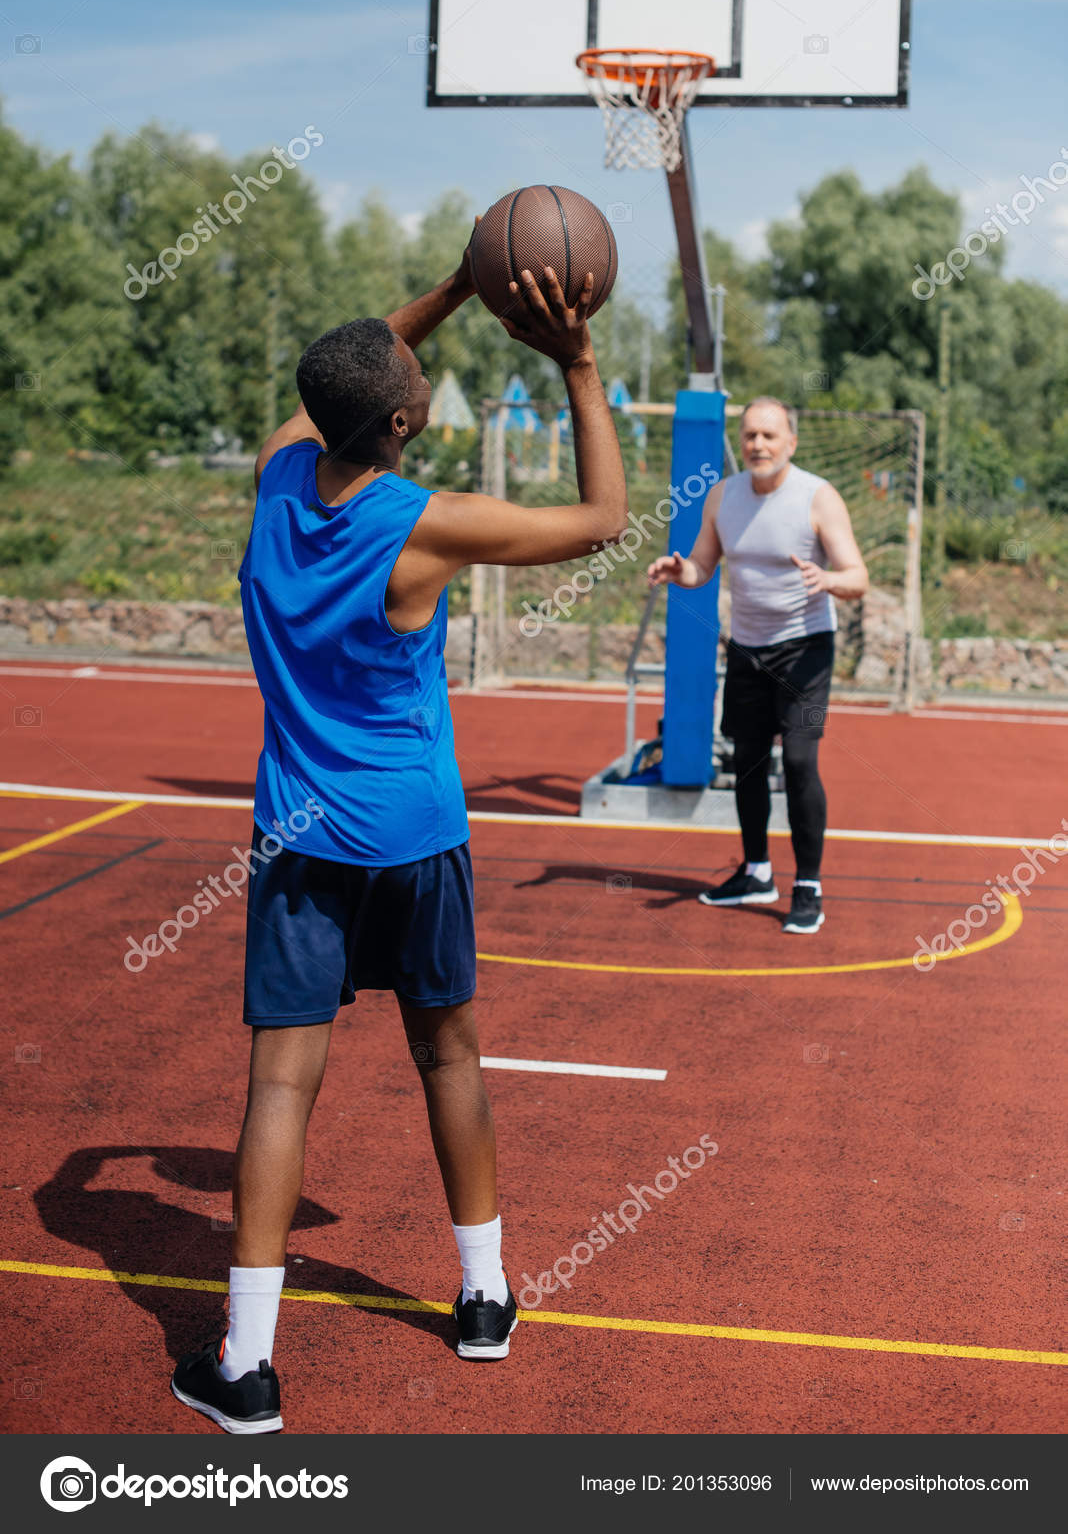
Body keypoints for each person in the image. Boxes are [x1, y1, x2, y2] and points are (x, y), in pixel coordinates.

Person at [170, 242, 627, 1434]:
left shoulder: (277, 475)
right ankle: (482, 1298)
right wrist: (575, 361)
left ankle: (248, 1365)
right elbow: (605, 521)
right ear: (412, 420)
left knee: (281, 1082)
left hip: (299, 830)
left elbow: (354, 363)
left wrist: (458, 287)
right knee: (450, 1057)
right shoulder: (423, 525)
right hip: (415, 831)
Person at [648, 398, 868, 935]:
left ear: (791, 442)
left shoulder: (817, 497)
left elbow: (857, 577)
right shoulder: (723, 496)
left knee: (797, 761)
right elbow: (703, 566)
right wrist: (682, 569)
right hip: (748, 647)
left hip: (806, 647)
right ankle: (756, 871)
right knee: (745, 761)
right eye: (749, 436)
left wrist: (829, 580)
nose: (758, 445)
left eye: (770, 436)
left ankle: (808, 884)